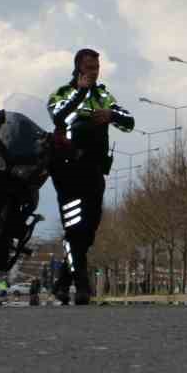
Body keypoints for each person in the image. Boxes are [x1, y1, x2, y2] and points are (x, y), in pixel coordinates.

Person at [48, 48, 135, 305]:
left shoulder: (103, 95)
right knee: (74, 227)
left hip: (95, 170)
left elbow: (128, 122)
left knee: (87, 232)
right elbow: (59, 116)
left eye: (96, 68)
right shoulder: (63, 93)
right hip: (68, 168)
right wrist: (81, 92)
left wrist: (111, 115)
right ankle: (82, 286)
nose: (93, 72)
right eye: (88, 67)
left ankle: (62, 283)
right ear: (78, 68)